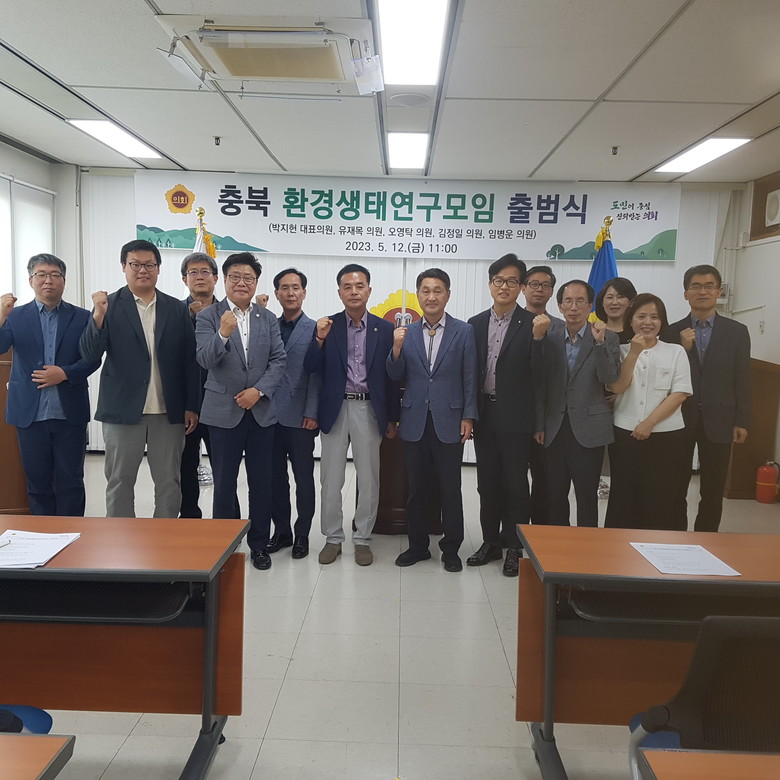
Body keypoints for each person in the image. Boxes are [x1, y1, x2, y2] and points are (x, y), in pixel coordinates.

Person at [80, 240, 200, 518]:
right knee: (120, 481)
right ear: (124, 266)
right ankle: (122, 539)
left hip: (168, 412)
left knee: (169, 482)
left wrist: (191, 405)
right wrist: (98, 315)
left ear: (158, 269)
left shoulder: (175, 308)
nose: (142, 270)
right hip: (123, 411)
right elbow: (89, 354)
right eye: (135, 264)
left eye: (149, 265)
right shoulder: (108, 305)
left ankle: (164, 536)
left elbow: (189, 361)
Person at [196, 252, 286, 570]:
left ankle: (258, 545)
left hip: (260, 412)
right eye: (235, 276)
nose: (242, 283)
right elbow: (204, 359)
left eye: (248, 277)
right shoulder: (209, 316)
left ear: (256, 282)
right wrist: (222, 333)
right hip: (222, 412)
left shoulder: (268, 318)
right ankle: (225, 546)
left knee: (261, 483)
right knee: (224, 483)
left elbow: (279, 360)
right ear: (224, 280)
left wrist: (258, 391)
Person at [304, 263, 398, 567]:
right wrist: (319, 339)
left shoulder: (384, 329)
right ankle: (333, 538)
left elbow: (391, 378)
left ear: (369, 290)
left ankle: (362, 539)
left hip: (369, 409)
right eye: (348, 286)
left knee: (369, 478)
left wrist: (392, 418)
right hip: (336, 409)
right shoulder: (327, 326)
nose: (354, 291)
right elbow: (310, 367)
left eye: (359, 286)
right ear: (339, 292)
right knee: (331, 478)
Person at [388, 268, 478, 572]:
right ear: (418, 295)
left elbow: (470, 376)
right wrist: (396, 349)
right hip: (414, 420)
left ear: (447, 295)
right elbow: (395, 375)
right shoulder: (407, 332)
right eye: (425, 290)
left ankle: (451, 548)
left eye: (437, 290)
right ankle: (417, 546)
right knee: (416, 489)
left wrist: (469, 416)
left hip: (450, 420)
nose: (431, 296)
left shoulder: (463, 331)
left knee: (450, 488)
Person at [0, 254, 100, 515]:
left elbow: (92, 359)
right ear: (31, 280)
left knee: (71, 482)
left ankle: (73, 531)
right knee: (37, 483)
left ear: (64, 281)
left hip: (69, 413)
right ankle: (42, 533)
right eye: (41, 275)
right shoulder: (15, 316)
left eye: (55, 275)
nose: (48, 280)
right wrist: (0, 316)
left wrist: (64, 373)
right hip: (29, 414)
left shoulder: (82, 317)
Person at [666, 264, 751, 532]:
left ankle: (706, 540)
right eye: (696, 286)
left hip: (721, 418)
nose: (702, 291)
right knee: (675, 487)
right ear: (686, 293)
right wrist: (683, 349)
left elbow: (742, 378)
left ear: (719, 291)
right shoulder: (671, 332)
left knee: (713, 490)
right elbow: (666, 376)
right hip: (679, 418)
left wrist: (742, 420)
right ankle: (676, 538)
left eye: (709, 286)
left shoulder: (737, 331)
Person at [466, 254, 536, 577]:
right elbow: (470, 372)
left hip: (517, 418)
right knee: (487, 483)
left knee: (516, 485)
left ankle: (515, 547)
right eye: (498, 280)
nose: (504, 286)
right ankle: (490, 542)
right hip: (485, 414)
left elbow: (540, 375)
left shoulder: (533, 324)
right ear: (490, 284)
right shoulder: (475, 323)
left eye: (511, 281)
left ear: (521, 287)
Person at [532, 279, 620, 527]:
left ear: (590, 305)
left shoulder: (607, 337)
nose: (573, 307)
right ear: (560, 306)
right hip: (554, 427)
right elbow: (540, 385)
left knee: (586, 495)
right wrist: (539, 424)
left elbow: (609, 379)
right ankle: (559, 544)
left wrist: (599, 343)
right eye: (568, 301)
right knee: (555, 494)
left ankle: (587, 545)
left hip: (589, 428)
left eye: (580, 301)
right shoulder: (549, 338)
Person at [604, 294, 692, 530]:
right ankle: (619, 548)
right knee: (624, 495)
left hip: (667, 436)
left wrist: (649, 423)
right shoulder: (619, 350)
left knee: (661, 496)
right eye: (641, 316)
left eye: (654, 317)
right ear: (630, 320)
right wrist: (634, 353)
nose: (648, 322)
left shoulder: (676, 352)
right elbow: (617, 387)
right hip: (625, 434)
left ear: (662, 321)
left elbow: (680, 393)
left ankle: (656, 548)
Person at [267, 268, 320, 560]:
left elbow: (317, 375)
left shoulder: (316, 329)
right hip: (269, 416)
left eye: (296, 287)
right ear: (277, 294)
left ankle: (302, 534)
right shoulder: (267, 326)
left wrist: (312, 411)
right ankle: (282, 532)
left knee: (303, 479)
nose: (290, 293)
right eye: (284, 288)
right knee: (275, 479)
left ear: (304, 293)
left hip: (301, 418)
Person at [179, 251, 219, 518]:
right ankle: (189, 519)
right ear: (185, 279)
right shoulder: (174, 313)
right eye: (193, 272)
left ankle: (226, 523)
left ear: (215, 278)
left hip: (221, 406)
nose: (200, 277)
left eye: (205, 272)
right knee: (185, 468)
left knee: (224, 471)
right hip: (185, 406)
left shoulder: (228, 313)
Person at [522, 264, 560, 525]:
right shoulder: (510, 324)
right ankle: (510, 532)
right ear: (523, 288)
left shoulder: (561, 327)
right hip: (513, 415)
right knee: (511, 480)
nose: (539, 289)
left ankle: (539, 534)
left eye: (545, 285)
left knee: (544, 479)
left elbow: (555, 377)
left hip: (547, 418)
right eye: (534, 284)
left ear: (551, 291)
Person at [595, 277, 638, 343]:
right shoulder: (595, 332)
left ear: (631, 302)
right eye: (610, 297)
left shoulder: (638, 332)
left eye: (620, 297)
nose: (614, 302)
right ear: (602, 302)